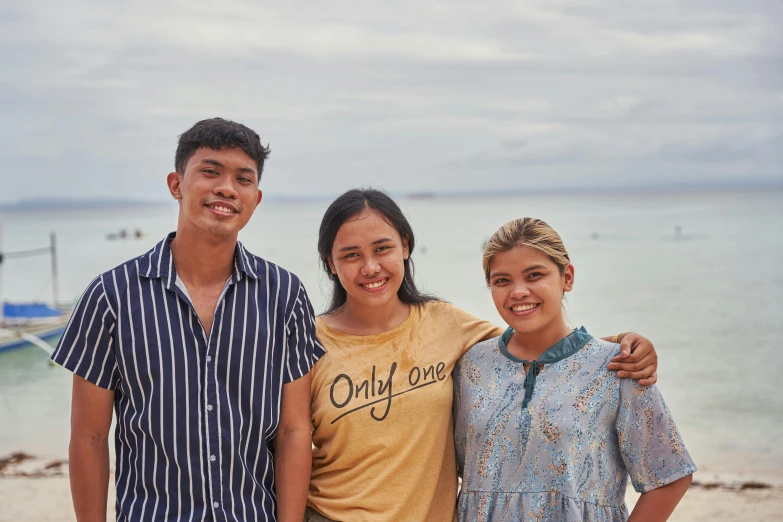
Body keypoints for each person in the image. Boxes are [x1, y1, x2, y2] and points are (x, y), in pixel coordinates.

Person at [305, 189, 659, 522]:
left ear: (405, 247)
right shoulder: (308, 340)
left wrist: (617, 344)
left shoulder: (447, 324)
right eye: (351, 254)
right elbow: (289, 437)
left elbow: (535, 344)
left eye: (382, 248)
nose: (370, 267)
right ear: (330, 263)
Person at [51, 118, 324, 522]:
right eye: (210, 172)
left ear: (256, 197)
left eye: (242, 179)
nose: (226, 188)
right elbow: (89, 437)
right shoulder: (111, 296)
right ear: (176, 185)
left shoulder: (285, 295)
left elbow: (293, 432)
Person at [454, 217, 695, 521]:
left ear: (566, 277)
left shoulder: (617, 367)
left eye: (534, 275)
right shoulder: (471, 365)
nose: (518, 292)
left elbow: (669, 474)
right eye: (502, 280)